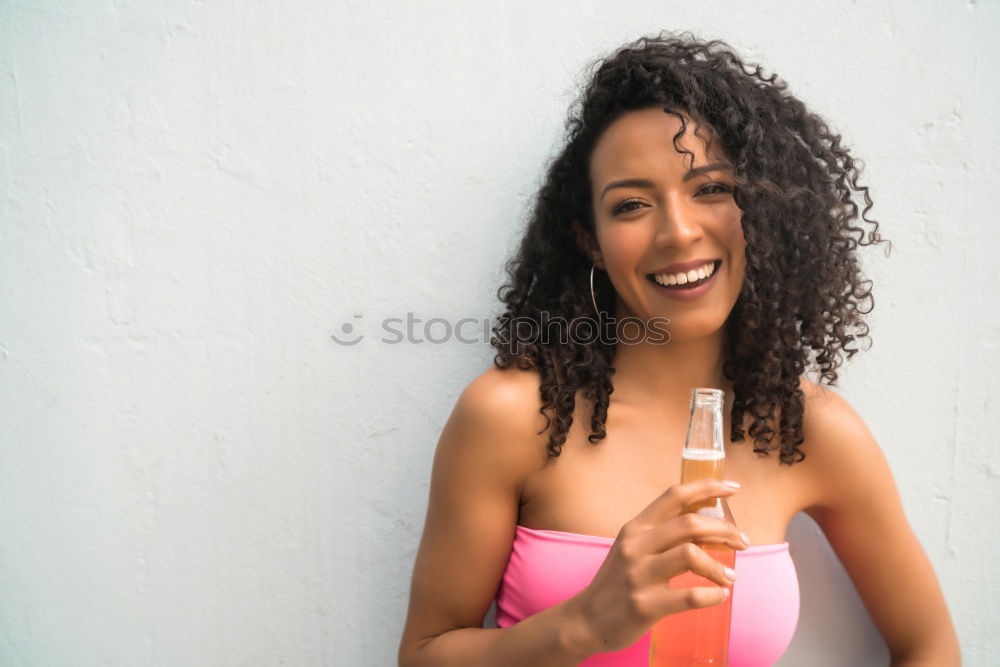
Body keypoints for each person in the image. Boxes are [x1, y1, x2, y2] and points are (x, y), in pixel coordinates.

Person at [397, 31, 960, 666]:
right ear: (590, 241)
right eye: (632, 204)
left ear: (764, 210)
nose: (679, 231)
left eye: (712, 188)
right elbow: (423, 654)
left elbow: (930, 646)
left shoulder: (809, 429)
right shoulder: (513, 416)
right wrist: (583, 624)